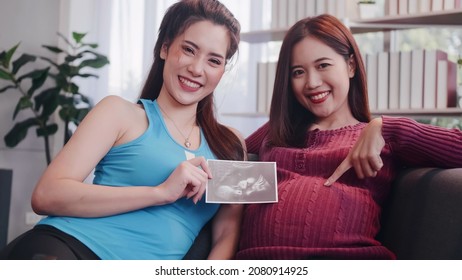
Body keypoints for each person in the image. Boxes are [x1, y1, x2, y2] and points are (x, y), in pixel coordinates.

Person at [0, 0, 245, 260]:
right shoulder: (119, 113)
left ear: (222, 70)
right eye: (188, 49)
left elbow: (227, 232)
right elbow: (46, 195)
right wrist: (160, 192)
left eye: (214, 60)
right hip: (70, 248)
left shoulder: (229, 145)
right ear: (164, 48)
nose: (196, 69)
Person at [236, 14, 462, 260]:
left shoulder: (378, 137)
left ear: (351, 66)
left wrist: (385, 128)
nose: (311, 82)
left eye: (323, 65)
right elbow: (226, 160)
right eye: (298, 72)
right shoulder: (276, 131)